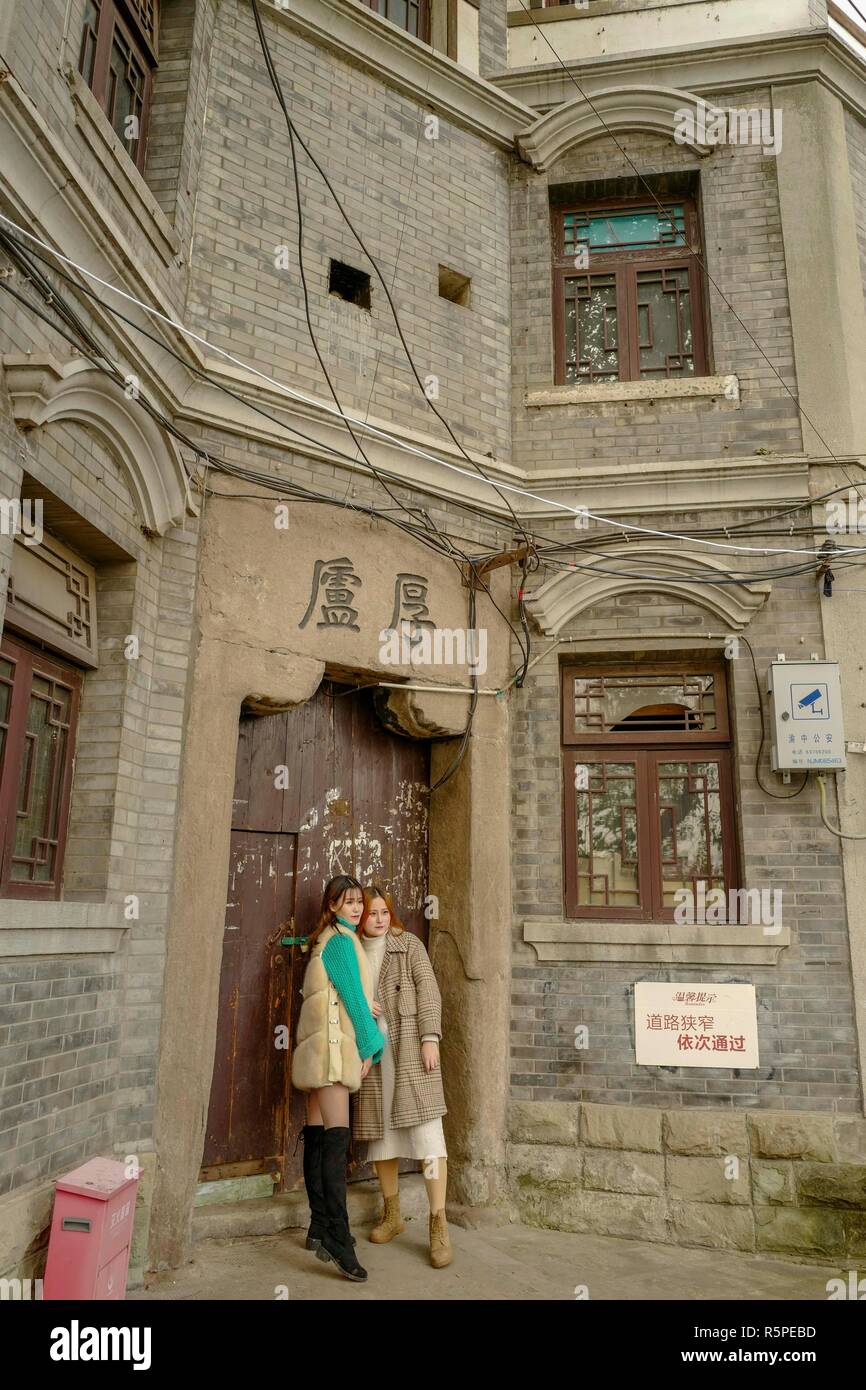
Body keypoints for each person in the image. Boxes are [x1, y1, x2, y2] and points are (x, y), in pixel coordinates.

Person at [291, 875, 385, 1282]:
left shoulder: (326, 939)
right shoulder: (343, 943)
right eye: (348, 903)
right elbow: (350, 999)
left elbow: (345, 992)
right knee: (336, 1140)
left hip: (317, 1052)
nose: (357, 909)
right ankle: (338, 1236)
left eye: (358, 903)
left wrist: (365, 1003)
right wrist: (369, 1045)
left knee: (316, 1134)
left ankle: (318, 1225)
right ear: (332, 905)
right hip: (331, 1052)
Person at [353, 884, 451, 1269]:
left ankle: (437, 1222)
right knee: (383, 1139)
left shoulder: (408, 944)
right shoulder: (353, 950)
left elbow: (429, 989)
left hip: (411, 1053)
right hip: (375, 1058)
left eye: (382, 912)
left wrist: (430, 1037)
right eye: (370, 913)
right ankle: (392, 1215)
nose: (377, 920)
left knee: (429, 1139)